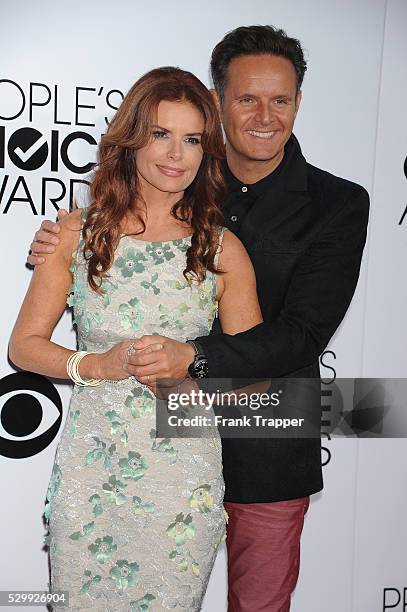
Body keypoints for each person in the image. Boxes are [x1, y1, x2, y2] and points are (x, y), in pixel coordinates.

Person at [28, 25, 370, 612]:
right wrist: (63, 241)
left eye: (281, 99)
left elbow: (303, 334)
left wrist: (194, 358)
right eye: (247, 98)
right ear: (218, 103)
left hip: (264, 430)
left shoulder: (337, 203)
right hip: (123, 444)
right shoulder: (174, 188)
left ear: (298, 103)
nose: (265, 115)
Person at [11, 66, 263, 611]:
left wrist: (190, 368)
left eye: (192, 138)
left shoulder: (223, 250)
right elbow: (24, 346)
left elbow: (251, 377)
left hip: (183, 475)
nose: (177, 154)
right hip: (92, 471)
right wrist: (95, 365)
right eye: (161, 134)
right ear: (131, 141)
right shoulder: (75, 234)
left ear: (207, 150)